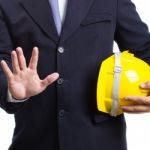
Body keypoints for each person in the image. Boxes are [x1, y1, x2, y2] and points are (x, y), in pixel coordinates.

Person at [0, 0, 150, 149]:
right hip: (33, 140)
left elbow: (144, 49)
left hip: (101, 141)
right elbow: (2, 63)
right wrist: (11, 91)